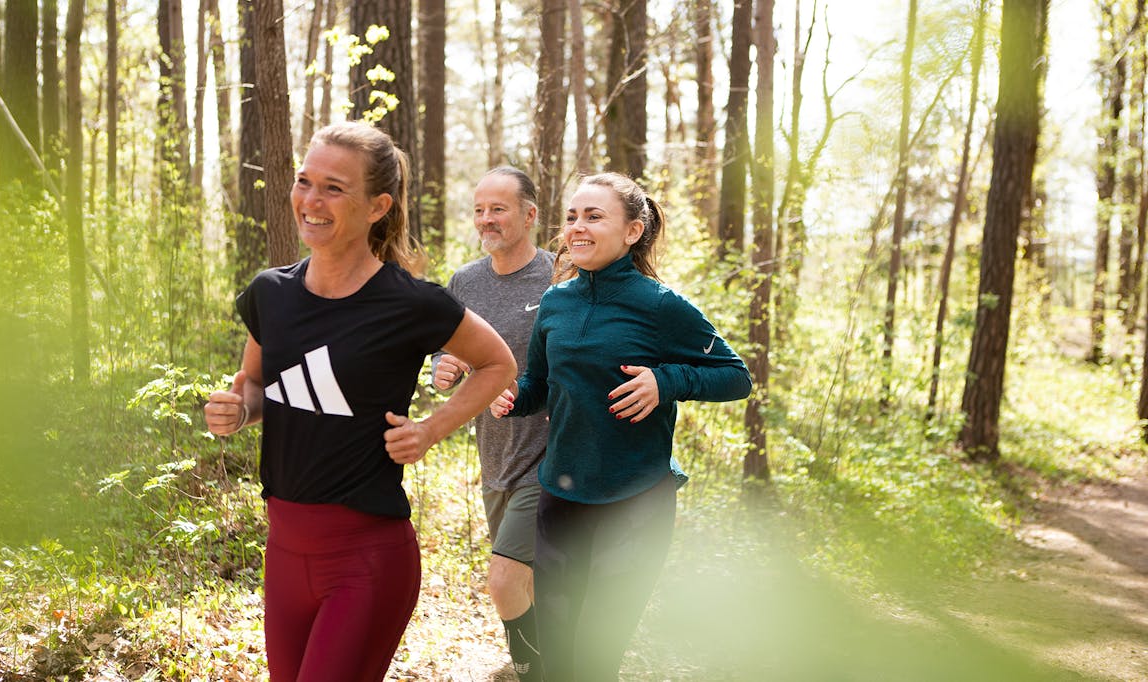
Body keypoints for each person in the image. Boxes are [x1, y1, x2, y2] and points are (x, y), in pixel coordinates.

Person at [203, 121, 516, 682]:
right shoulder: (270, 293)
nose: (311, 201)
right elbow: (254, 384)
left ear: (378, 207)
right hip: (283, 553)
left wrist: (429, 429)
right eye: (305, 182)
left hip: (365, 559)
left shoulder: (409, 303)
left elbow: (498, 364)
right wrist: (239, 409)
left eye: (333, 187)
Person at [490, 172, 753, 681]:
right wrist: (512, 397)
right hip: (561, 495)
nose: (577, 228)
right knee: (558, 653)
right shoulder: (556, 301)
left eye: (594, 216)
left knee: (595, 658)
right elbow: (540, 384)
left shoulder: (660, 305)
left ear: (633, 231)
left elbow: (736, 377)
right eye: (571, 217)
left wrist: (666, 380)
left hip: (636, 500)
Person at [430, 167, 554, 680]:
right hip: (496, 455)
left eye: (498, 209)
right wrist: (443, 367)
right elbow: (447, 358)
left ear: (529, 214)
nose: (486, 219)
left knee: (504, 580)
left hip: (550, 456)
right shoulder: (465, 282)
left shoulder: (558, 275)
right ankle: (549, 660)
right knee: (530, 581)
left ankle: (530, 669)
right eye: (480, 209)